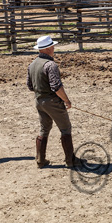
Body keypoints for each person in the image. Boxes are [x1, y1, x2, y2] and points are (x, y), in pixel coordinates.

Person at [26, 35, 83, 168]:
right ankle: (70, 160)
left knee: (44, 129)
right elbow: (56, 87)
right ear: (48, 48)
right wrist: (67, 100)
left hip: (39, 101)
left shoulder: (32, 65)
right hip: (52, 101)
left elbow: (30, 86)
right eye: (52, 46)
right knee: (65, 129)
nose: (53, 48)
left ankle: (40, 160)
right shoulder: (50, 65)